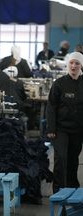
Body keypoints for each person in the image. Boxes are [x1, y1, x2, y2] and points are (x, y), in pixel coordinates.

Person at [46, 51, 83, 193]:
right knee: (61, 158)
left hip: (78, 129)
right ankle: (59, 190)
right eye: (71, 63)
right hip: (60, 129)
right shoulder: (59, 84)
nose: (73, 66)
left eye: (77, 63)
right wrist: (51, 128)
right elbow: (51, 106)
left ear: (81, 66)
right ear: (68, 65)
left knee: (73, 160)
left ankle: (73, 188)